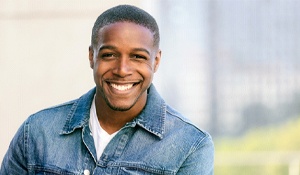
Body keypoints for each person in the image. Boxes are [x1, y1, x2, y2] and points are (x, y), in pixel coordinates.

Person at [0, 4, 214, 175]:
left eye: (138, 57)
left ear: (156, 61)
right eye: (109, 55)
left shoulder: (190, 146)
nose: (122, 70)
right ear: (92, 57)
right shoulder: (37, 132)